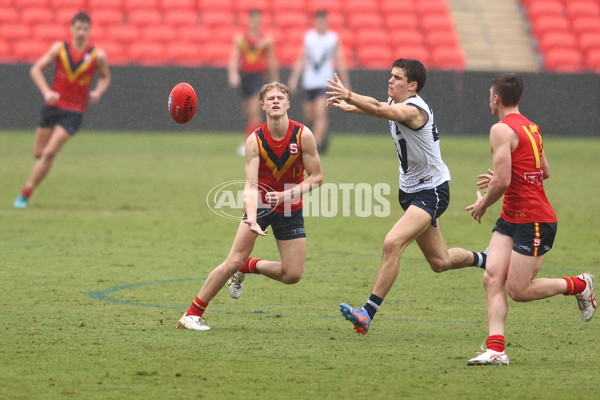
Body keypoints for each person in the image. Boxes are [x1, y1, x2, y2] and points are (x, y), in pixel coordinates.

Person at [325, 58, 488, 335]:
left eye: (397, 78)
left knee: (393, 242)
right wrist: (351, 107)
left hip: (432, 191)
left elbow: (379, 108)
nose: (390, 80)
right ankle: (487, 259)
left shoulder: (415, 111)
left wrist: (349, 94)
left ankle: (367, 313)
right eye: (391, 75)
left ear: (412, 86)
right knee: (440, 262)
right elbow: (380, 109)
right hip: (410, 192)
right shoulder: (397, 105)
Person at [464, 73, 596, 365]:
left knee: (519, 290)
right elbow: (543, 171)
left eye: (490, 95)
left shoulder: (500, 129)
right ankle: (496, 350)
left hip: (533, 220)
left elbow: (503, 181)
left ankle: (578, 284)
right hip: (512, 217)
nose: (489, 99)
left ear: (496, 98)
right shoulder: (531, 127)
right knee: (492, 277)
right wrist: (502, 176)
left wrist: (483, 204)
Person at [177, 82, 323, 331]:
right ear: (262, 105)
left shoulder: (303, 136)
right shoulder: (255, 140)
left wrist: (288, 194)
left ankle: (249, 266)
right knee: (232, 260)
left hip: (290, 207)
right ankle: (191, 314)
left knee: (292, 275)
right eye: (270, 98)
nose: (276, 101)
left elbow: (317, 177)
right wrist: (252, 218)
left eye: (280, 97)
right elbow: (250, 186)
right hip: (261, 205)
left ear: (288, 104)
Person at [13, 11, 111, 209]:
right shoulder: (59, 50)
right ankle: (36, 176)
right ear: (72, 29)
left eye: (85, 28)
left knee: (49, 152)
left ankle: (25, 193)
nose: (81, 32)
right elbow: (36, 69)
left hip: (74, 111)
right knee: (38, 154)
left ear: (89, 30)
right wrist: (46, 91)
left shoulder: (97, 56)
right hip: (52, 106)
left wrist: (98, 91)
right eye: (78, 28)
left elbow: (105, 77)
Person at [288, 10, 350, 154]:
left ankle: (317, 145)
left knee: (320, 112)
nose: (321, 24)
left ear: (326, 22)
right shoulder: (309, 37)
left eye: (323, 21)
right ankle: (323, 135)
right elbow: (301, 58)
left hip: (325, 82)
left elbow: (340, 60)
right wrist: (294, 78)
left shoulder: (332, 38)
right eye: (319, 21)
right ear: (315, 22)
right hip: (309, 82)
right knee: (310, 115)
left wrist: (344, 82)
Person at [228, 8, 279, 156]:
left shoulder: (266, 39)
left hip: (259, 77)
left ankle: (249, 144)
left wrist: (275, 80)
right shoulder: (241, 39)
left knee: (255, 112)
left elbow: (272, 60)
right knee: (248, 113)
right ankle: (262, 142)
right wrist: (233, 74)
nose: (255, 21)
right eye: (253, 18)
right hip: (245, 77)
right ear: (249, 20)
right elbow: (234, 58)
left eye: (258, 18)